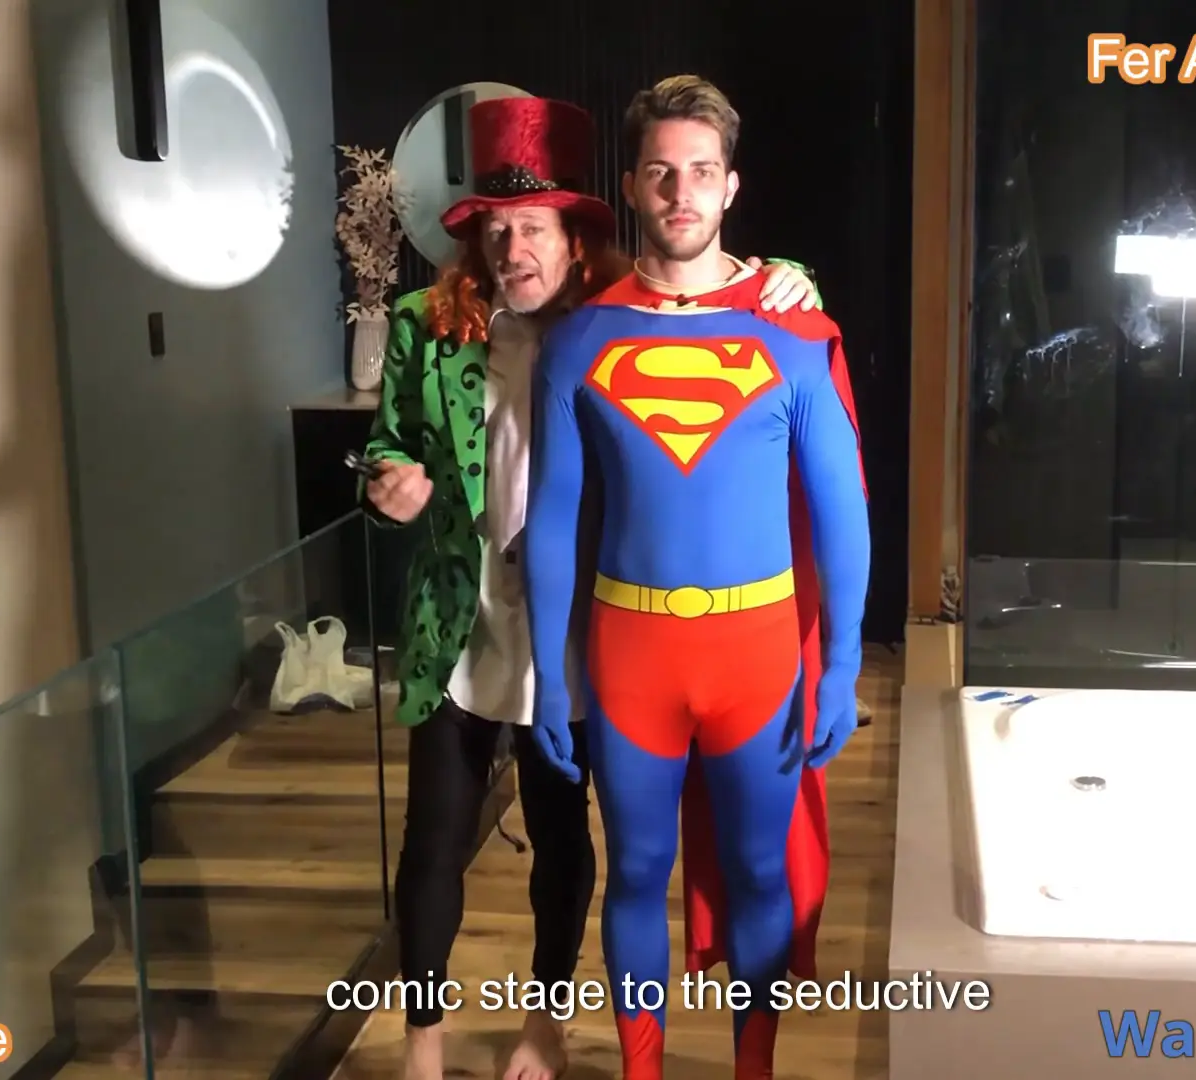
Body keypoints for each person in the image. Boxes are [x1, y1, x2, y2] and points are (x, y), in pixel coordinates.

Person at [358, 94, 820, 1080]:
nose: (511, 250)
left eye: (531, 228)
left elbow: (733, 292)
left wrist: (793, 274)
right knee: (432, 841)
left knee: (564, 838)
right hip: (459, 621)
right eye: (494, 230)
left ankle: (546, 1021)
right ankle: (422, 1042)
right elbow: (387, 446)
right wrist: (386, 486)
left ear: (575, 238)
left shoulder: (616, 329)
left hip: (577, 631)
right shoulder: (425, 328)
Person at [521, 75, 871, 1080]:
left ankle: (753, 1070)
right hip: (630, 653)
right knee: (635, 870)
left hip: (755, 655)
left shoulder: (794, 335)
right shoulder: (579, 342)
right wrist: (547, 668)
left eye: (702, 171)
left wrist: (842, 665)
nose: (682, 191)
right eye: (662, 172)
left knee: (760, 871)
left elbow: (842, 513)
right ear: (632, 184)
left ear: (730, 186)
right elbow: (554, 516)